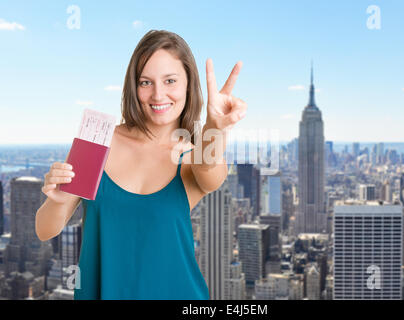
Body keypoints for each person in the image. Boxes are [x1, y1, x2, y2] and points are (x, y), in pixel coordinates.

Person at [35, 30, 247, 300]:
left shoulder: (194, 155)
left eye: (170, 80)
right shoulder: (97, 140)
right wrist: (57, 198)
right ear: (133, 87)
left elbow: (210, 169)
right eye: (146, 82)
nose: (158, 95)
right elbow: (45, 230)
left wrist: (215, 127)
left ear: (188, 85)